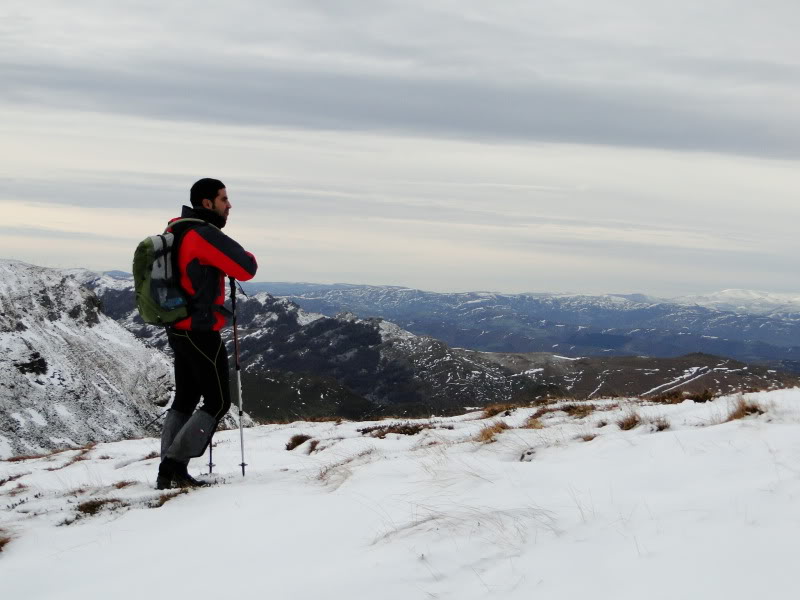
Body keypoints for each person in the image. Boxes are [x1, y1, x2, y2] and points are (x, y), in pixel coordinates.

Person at [156, 178, 258, 489]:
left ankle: (167, 470)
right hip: (200, 329)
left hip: (177, 326)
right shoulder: (203, 234)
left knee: (186, 398)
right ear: (207, 203)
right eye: (224, 199)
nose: (229, 205)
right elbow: (246, 267)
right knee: (217, 401)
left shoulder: (175, 228)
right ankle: (174, 465)